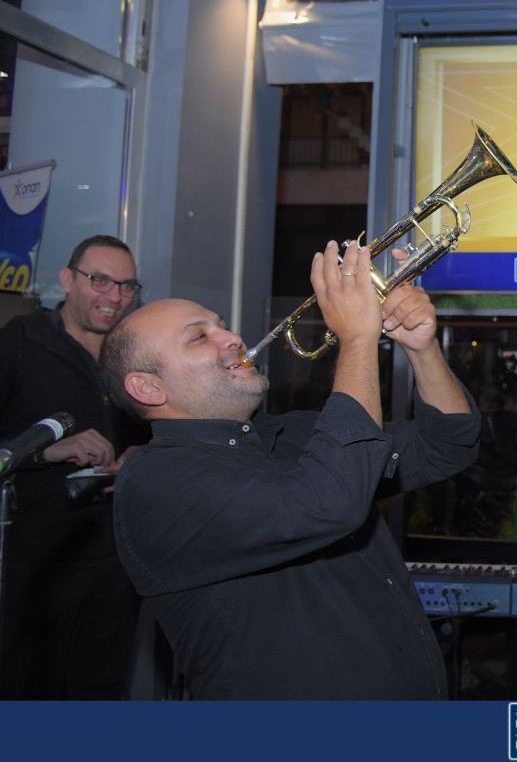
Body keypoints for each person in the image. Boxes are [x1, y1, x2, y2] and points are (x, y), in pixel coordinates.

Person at [100, 240, 480, 699]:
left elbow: (446, 445)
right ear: (147, 387)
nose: (233, 338)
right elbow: (328, 504)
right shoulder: (155, 484)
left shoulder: (291, 435)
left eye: (222, 326)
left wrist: (421, 349)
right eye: (199, 337)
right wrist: (359, 339)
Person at [0, 234, 149, 699]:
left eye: (126, 285)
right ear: (67, 280)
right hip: (38, 562)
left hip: (118, 559)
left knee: (102, 689)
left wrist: (138, 457)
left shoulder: (132, 355)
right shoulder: (22, 343)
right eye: (99, 280)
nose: (115, 296)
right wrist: (47, 451)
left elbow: (157, 432)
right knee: (29, 689)